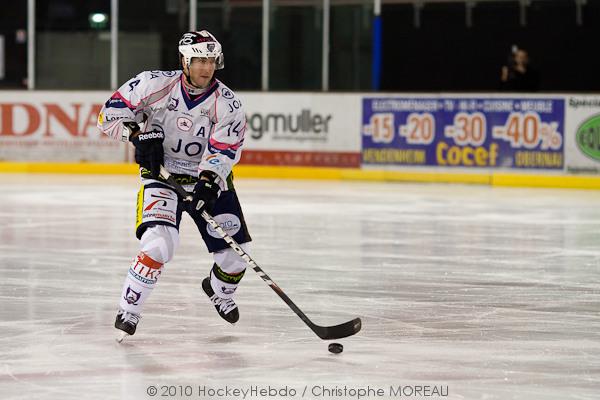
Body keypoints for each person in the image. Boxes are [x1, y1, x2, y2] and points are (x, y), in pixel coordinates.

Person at [97, 30, 251, 341]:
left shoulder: (228, 105)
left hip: (206, 181)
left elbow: (224, 150)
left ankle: (218, 290)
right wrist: (138, 136)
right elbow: (109, 115)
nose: (206, 68)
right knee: (158, 245)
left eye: (210, 60)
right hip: (161, 178)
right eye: (198, 60)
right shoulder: (153, 84)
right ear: (184, 61)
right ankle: (129, 310)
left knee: (237, 256)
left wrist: (208, 184)